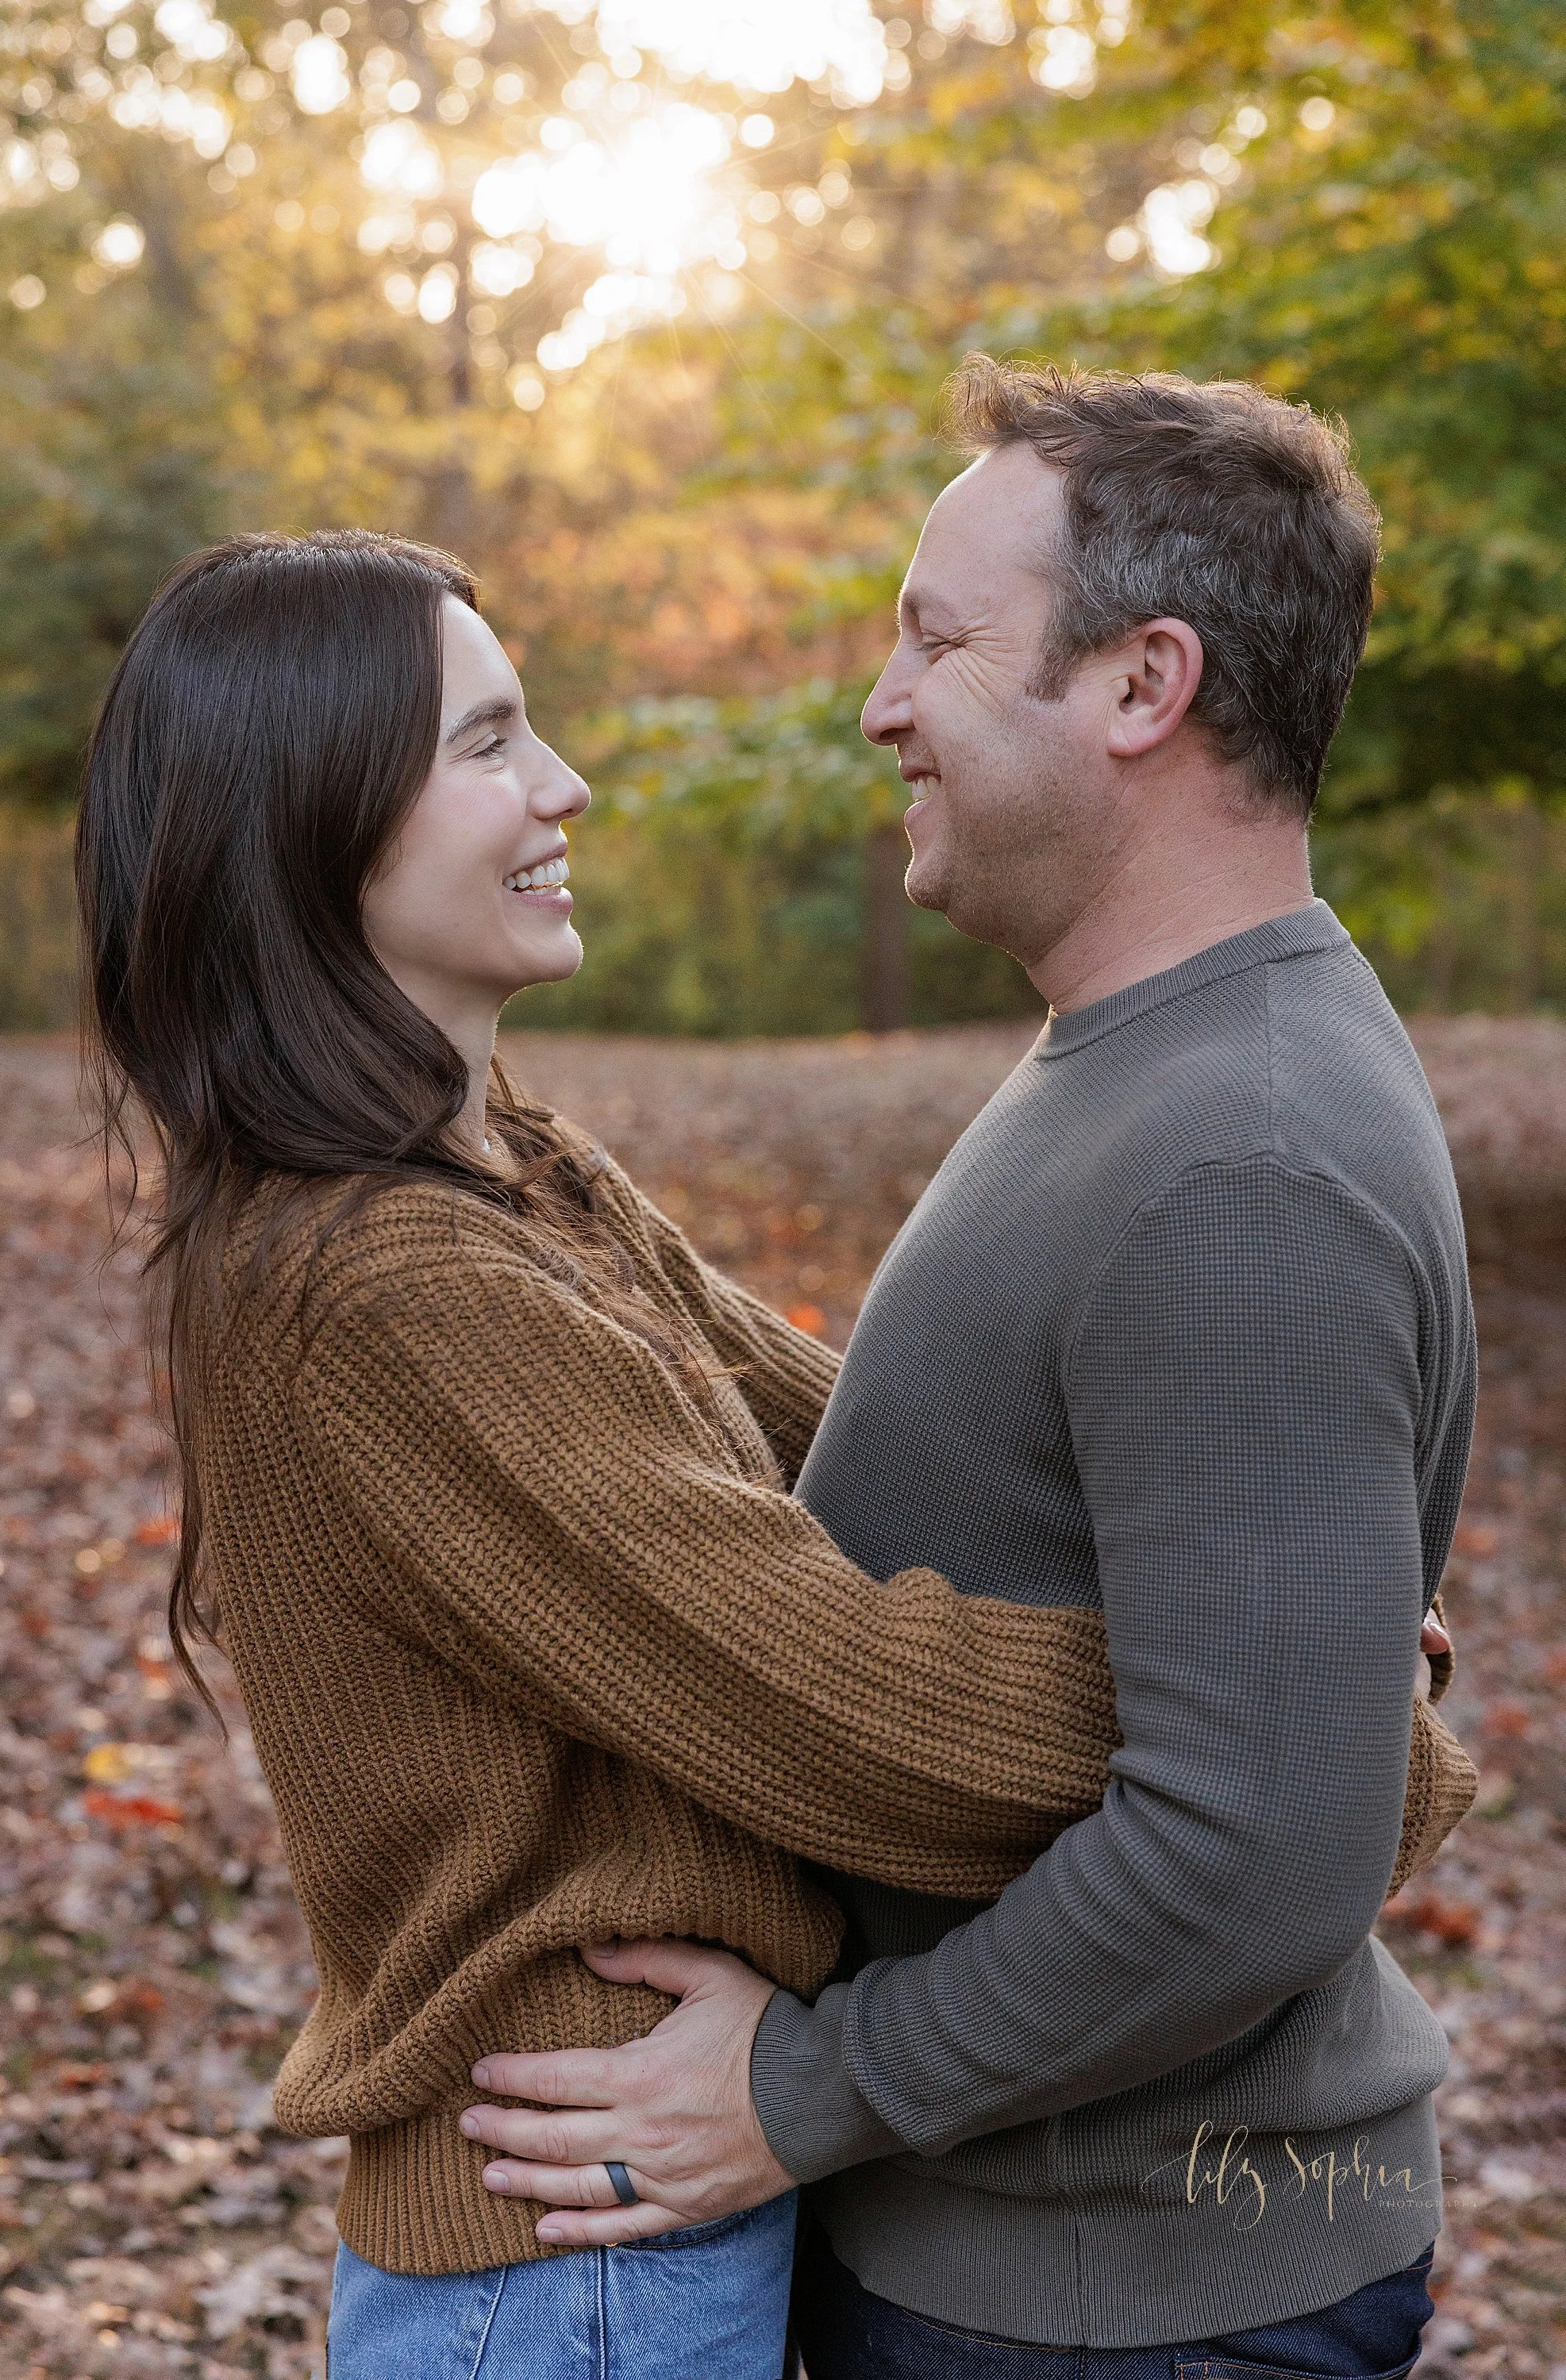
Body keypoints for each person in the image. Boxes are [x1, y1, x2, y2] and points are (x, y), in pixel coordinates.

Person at [75, 525, 1229, 2380]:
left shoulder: (513, 1175)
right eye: (486, 741)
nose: (566, 782)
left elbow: (853, 1465)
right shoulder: (380, 1285)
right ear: (308, 815)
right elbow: (838, 1699)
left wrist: (1215, 1553)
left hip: (621, 2222)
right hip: (572, 2263)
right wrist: (1267, 1698)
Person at [459, 363, 1479, 2380]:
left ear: (1140, 685)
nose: (880, 700)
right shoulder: (1146, 1057)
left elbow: (1251, 1852)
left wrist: (803, 2088)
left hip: (1120, 2307)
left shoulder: (1241, 1155)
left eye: (937, 638)